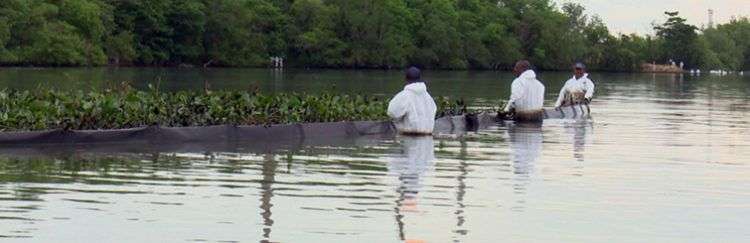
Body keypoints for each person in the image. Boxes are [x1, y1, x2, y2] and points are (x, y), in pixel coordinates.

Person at [388, 67, 437, 135]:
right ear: (420, 79)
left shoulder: (404, 95)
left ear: (406, 79)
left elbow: (392, 113)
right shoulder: (428, 97)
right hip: (428, 138)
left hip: (409, 137)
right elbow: (434, 110)